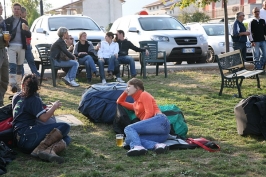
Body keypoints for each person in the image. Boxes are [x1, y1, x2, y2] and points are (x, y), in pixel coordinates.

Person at [12, 73, 71, 163]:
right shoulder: (34, 99)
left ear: (23, 84)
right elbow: (44, 118)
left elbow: (25, 111)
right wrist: (54, 106)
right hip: (29, 136)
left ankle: (50, 151)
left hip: (18, 140)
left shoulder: (16, 96)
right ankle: (40, 149)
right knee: (65, 126)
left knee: (66, 138)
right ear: (37, 87)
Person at [117, 78, 170, 156]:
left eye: (129, 86)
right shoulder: (135, 105)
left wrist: (140, 130)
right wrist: (125, 92)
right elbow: (120, 102)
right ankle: (158, 145)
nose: (127, 89)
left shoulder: (144, 94)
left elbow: (149, 113)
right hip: (160, 135)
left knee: (128, 128)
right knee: (130, 140)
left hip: (160, 122)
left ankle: (138, 147)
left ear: (137, 88)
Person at [5, 2, 31, 93]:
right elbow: (4, 31)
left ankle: (18, 85)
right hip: (11, 45)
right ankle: (12, 84)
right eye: (15, 9)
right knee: (12, 65)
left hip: (21, 46)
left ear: (20, 11)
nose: (16, 10)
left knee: (20, 66)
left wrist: (27, 30)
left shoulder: (24, 21)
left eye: (18, 9)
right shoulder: (7, 21)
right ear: (12, 10)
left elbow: (28, 35)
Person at [20, 6, 42, 79]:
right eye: (25, 13)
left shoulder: (25, 21)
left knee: (31, 61)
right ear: (21, 13)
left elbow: (28, 33)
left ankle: (36, 76)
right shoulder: (18, 22)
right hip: (21, 45)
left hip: (27, 44)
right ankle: (22, 78)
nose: (26, 14)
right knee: (21, 63)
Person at [0, 2, 10, 106]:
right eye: (0, 8)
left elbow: (5, 37)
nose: (2, 9)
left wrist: (7, 40)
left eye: (2, 8)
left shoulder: (2, 21)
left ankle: (0, 100)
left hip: (3, 51)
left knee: (5, 78)